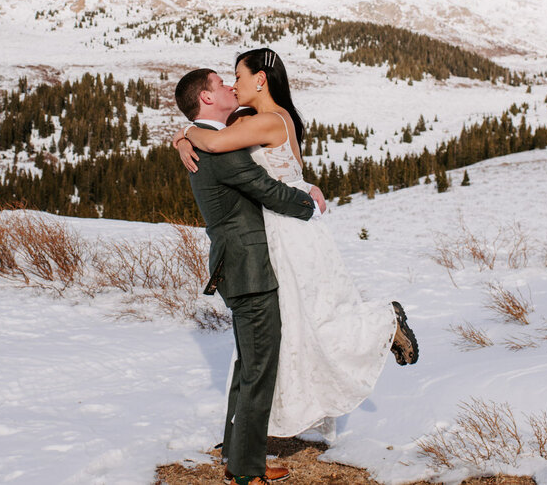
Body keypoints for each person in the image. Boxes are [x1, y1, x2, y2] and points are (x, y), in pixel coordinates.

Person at [173, 48, 418, 445]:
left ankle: (384, 323)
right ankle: (254, 434)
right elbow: (220, 140)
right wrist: (183, 137)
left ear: (260, 80)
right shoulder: (253, 120)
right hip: (279, 229)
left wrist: (185, 134)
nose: (233, 84)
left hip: (291, 229)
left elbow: (215, 144)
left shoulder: (269, 120)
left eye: (238, 76)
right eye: (227, 80)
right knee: (291, 327)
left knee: (312, 320)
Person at [173, 67, 326, 485]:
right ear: (206, 98)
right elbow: (267, 190)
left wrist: (185, 134)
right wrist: (308, 202)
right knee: (259, 370)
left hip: (239, 268)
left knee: (248, 366)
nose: (227, 86)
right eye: (219, 84)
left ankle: (239, 457)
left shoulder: (207, 139)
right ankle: (244, 473)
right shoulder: (220, 150)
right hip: (250, 270)